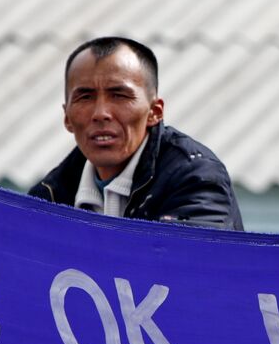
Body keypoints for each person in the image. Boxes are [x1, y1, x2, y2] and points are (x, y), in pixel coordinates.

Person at [30, 36, 244, 229]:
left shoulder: (196, 178)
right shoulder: (48, 196)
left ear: (154, 112)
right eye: (85, 97)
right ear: (67, 117)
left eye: (119, 95)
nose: (101, 113)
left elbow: (185, 264)